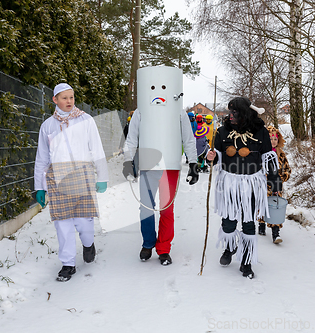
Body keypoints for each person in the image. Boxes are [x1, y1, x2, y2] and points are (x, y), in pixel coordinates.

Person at [123, 65, 199, 266]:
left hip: (170, 166)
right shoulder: (141, 112)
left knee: (167, 208)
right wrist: (128, 161)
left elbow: (188, 139)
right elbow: (132, 139)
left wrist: (193, 162)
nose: (159, 91)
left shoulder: (179, 113)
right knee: (146, 208)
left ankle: (164, 248)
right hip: (148, 165)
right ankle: (148, 243)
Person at [34, 83, 108, 282]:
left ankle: (88, 243)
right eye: (64, 98)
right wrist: (39, 187)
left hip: (82, 175)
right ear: (55, 100)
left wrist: (102, 177)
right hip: (57, 179)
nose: (69, 101)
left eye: (72, 97)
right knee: (62, 224)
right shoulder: (48, 126)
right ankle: (68, 264)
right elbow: (41, 158)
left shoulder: (86, 120)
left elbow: (97, 149)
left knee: (84, 222)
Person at [206, 97, 278, 279]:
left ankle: (246, 262)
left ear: (245, 113)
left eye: (235, 112)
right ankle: (230, 247)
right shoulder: (222, 132)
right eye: (230, 111)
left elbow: (268, 158)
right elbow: (216, 157)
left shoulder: (260, 132)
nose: (231, 115)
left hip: (252, 184)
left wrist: (275, 182)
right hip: (229, 183)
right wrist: (211, 157)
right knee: (228, 223)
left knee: (248, 223)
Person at [258, 125, 292, 243]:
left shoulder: (280, 154)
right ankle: (261, 224)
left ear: (278, 140)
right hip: (263, 186)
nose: (273, 142)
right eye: (270, 139)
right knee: (262, 206)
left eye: (275, 139)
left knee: (276, 208)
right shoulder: (261, 153)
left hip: (276, 186)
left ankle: (275, 233)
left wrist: (282, 177)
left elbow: (287, 168)